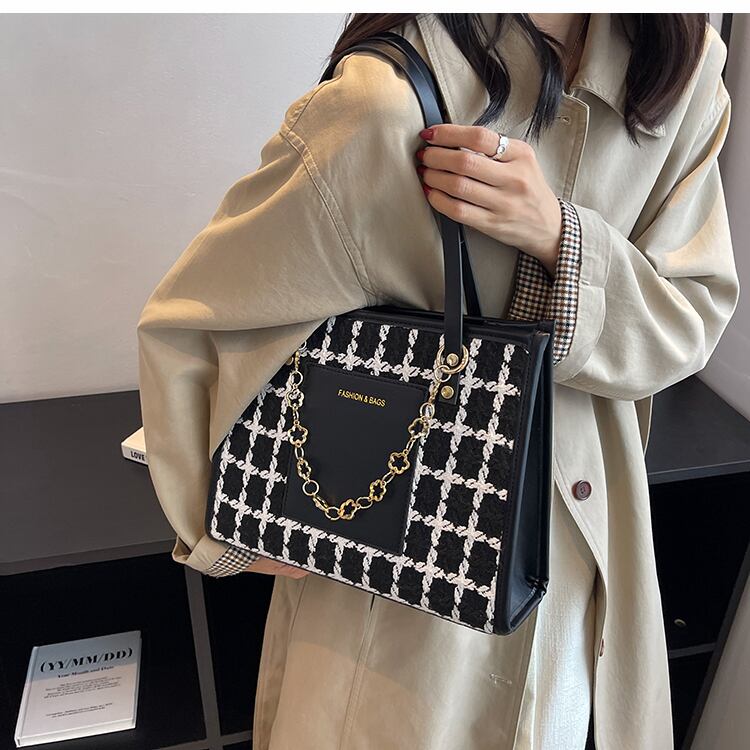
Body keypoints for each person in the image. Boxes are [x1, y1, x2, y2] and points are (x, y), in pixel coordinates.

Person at [136, 13, 738, 749]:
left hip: (589, 567)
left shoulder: (681, 68)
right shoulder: (383, 100)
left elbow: (693, 312)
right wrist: (223, 527)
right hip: (400, 591)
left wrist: (558, 235)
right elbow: (195, 320)